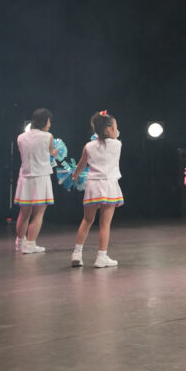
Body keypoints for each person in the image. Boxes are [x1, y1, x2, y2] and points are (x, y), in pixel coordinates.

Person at [70, 111, 123, 268]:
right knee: (104, 224)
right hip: (109, 185)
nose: (117, 131)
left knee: (87, 220)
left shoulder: (88, 146)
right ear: (108, 129)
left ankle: (77, 253)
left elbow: (81, 164)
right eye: (115, 128)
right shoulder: (117, 144)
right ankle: (101, 256)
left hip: (92, 185)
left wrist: (74, 176)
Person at [13, 108, 58, 254]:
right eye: (49, 121)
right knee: (39, 212)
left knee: (23, 213)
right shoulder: (48, 136)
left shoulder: (21, 137)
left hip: (25, 177)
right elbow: (50, 152)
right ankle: (31, 244)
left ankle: (20, 242)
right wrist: (55, 153)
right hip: (41, 177)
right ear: (45, 121)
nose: (50, 124)